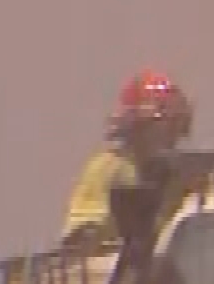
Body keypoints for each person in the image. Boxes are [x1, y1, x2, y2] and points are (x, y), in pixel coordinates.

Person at [61, 69, 195, 248]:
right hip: (110, 269)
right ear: (136, 125)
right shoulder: (108, 167)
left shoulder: (173, 176)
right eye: (162, 124)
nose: (171, 134)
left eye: (175, 124)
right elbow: (83, 228)